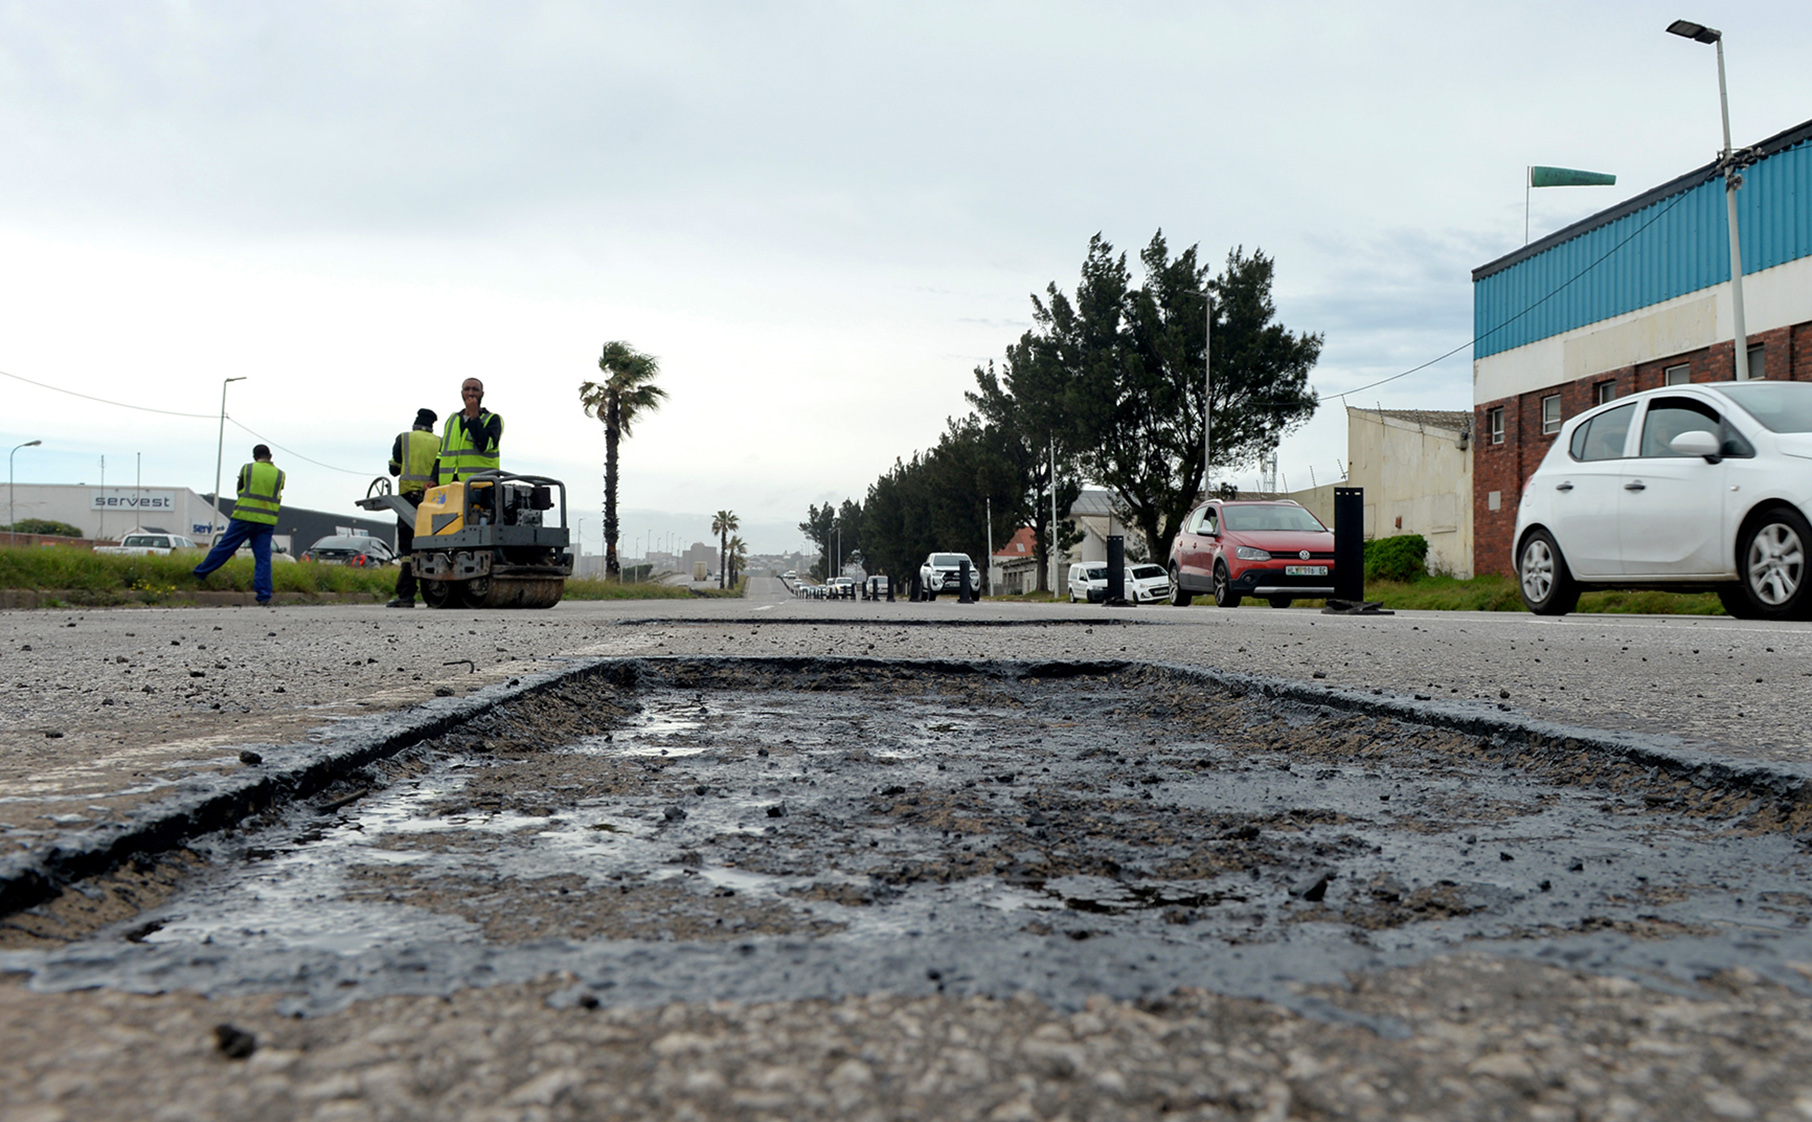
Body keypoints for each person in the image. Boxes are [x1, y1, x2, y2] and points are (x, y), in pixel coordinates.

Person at [192, 444, 286, 605]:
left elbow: (240, 489)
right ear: (270, 456)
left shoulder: (248, 469)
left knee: (225, 548)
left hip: (244, 517)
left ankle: (199, 573)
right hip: (266, 521)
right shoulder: (280, 474)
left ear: (254, 456)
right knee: (263, 558)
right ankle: (264, 596)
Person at [386, 407, 439, 608]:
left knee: (408, 548)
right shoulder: (440, 442)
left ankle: (406, 594)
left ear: (415, 423)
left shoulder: (404, 438)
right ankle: (432, 592)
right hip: (433, 499)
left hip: (408, 499)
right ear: (432, 426)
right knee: (430, 545)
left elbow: (393, 469)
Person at [437, 377, 503, 484]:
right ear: (462, 393)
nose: (470, 393)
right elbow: (441, 453)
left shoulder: (493, 419)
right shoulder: (452, 419)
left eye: (475, 390)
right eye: (467, 389)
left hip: (480, 485)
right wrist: (433, 479)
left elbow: (485, 444)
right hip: (448, 483)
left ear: (482, 394)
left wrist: (474, 416)